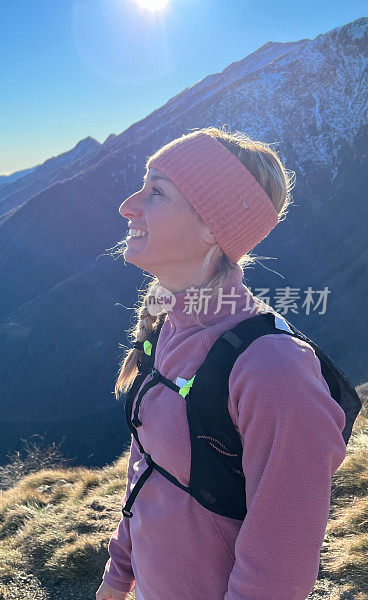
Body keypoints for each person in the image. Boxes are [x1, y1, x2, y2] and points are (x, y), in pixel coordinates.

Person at [95, 126, 348, 600]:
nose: (128, 206)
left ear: (214, 226)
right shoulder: (169, 325)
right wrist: (119, 575)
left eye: (157, 192)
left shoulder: (275, 371)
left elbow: (279, 569)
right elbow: (147, 466)